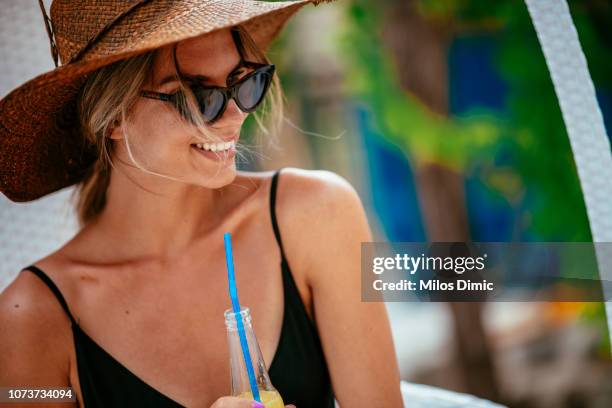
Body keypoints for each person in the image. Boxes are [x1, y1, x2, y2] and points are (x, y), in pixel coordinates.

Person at [0, 1, 403, 407]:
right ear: (113, 117)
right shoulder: (30, 318)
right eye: (196, 95)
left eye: (243, 81)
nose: (232, 115)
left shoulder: (317, 216)